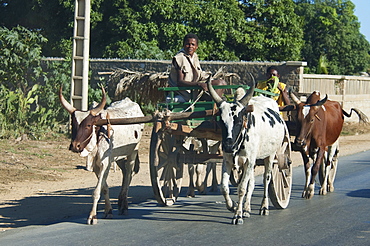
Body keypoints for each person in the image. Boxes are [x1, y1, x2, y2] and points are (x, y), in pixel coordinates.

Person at [168, 33, 226, 102]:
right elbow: (180, 82)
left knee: (221, 83)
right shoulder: (180, 58)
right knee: (219, 84)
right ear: (183, 45)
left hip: (195, 90)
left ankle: (215, 106)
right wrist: (198, 84)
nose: (190, 46)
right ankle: (215, 108)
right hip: (184, 92)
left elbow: (199, 74)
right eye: (188, 44)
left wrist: (210, 77)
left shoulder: (194, 57)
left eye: (193, 44)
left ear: (196, 47)